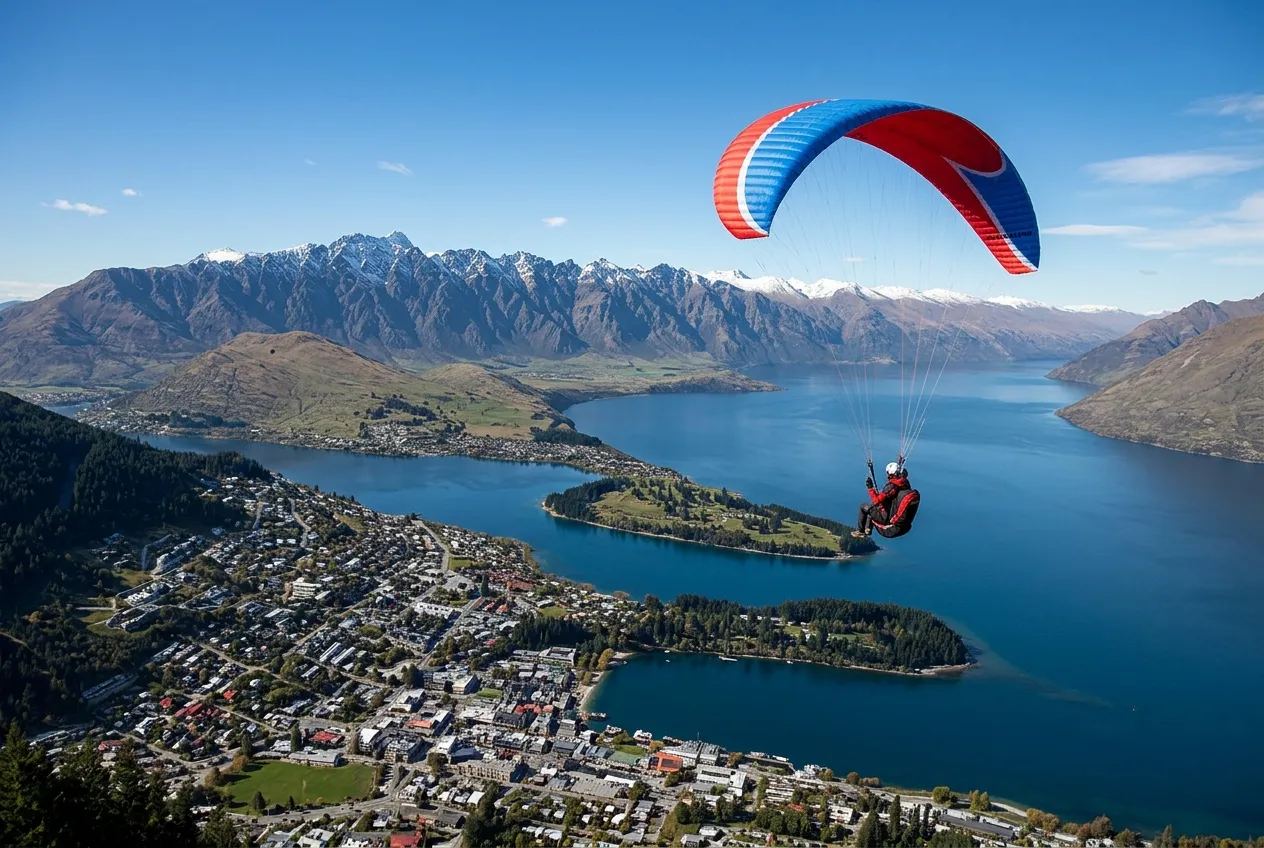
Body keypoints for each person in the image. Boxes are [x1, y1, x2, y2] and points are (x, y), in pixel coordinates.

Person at [851, 462, 920, 539]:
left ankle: (861, 531)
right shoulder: (904, 483)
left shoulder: (891, 487)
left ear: (890, 474)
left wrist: (870, 488)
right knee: (872, 511)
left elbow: (876, 501)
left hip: (887, 520)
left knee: (864, 507)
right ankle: (868, 529)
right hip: (900, 522)